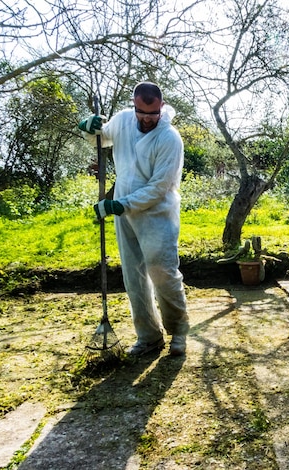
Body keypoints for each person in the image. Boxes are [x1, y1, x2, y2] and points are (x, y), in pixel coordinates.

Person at [78, 82, 189, 356]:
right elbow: (101, 139)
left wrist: (120, 204)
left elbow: (158, 187)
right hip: (124, 213)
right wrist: (88, 128)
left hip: (157, 214)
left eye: (152, 114)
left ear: (161, 107)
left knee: (162, 272)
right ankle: (149, 336)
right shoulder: (124, 121)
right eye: (142, 113)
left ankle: (178, 331)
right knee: (134, 275)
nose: (147, 119)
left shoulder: (170, 138)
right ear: (134, 106)